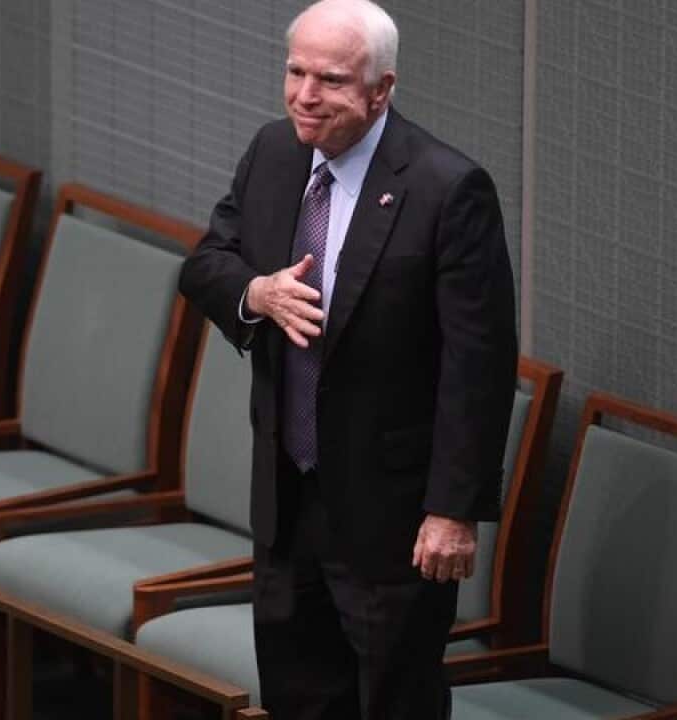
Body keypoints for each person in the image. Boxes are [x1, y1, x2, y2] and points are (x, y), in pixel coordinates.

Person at [178, 1, 518, 718]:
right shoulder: (273, 152)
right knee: (298, 698)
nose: (304, 95)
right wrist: (257, 293)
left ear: (380, 89)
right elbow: (207, 263)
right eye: (295, 72)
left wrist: (452, 512)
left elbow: (478, 367)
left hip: (392, 522)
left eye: (330, 80)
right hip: (286, 500)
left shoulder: (447, 189)